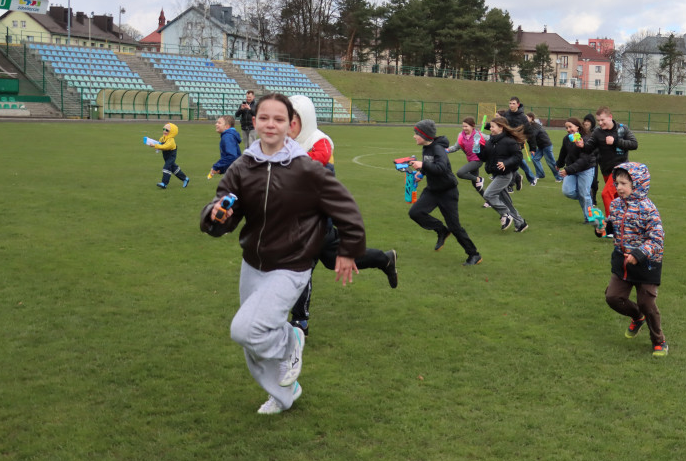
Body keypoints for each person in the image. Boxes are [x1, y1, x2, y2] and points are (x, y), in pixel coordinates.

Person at [200, 93, 366, 415]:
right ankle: (283, 395)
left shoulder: (307, 169)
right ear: (255, 122)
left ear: (291, 125)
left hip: (292, 264)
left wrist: (348, 249)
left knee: (245, 329)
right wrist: (215, 215)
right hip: (253, 263)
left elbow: (346, 207)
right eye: (264, 118)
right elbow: (224, 208)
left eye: (279, 119)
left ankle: (292, 340)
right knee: (254, 343)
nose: (271, 124)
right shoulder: (242, 166)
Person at [286, 95, 398, 335]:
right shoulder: (287, 143)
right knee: (331, 260)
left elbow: (318, 164)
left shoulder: (319, 141)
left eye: (293, 118)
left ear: (305, 119)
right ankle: (384, 259)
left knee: (300, 268)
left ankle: (300, 321)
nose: (288, 124)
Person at [594, 162, 668, 356]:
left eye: (624, 184)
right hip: (622, 261)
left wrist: (638, 254)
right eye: (617, 183)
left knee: (646, 303)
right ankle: (637, 317)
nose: (618, 188)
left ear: (637, 185)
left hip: (646, 264)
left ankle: (659, 340)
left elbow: (657, 238)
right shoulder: (616, 204)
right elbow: (613, 225)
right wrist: (602, 228)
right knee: (612, 297)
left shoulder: (648, 209)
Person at [408, 119, 482, 265]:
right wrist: (421, 174)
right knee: (415, 213)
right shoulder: (426, 147)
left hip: (447, 192)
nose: (414, 136)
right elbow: (430, 165)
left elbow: (441, 168)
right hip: (432, 190)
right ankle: (441, 230)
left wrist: (423, 165)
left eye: (416, 133)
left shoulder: (438, 149)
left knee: (454, 226)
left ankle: (474, 255)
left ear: (424, 135)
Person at [579, 106, 639, 216]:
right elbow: (589, 148)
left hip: (620, 169)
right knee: (617, 198)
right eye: (598, 120)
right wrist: (582, 146)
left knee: (606, 194)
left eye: (602, 120)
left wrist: (616, 141)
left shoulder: (622, 129)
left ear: (610, 117)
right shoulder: (597, 132)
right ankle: (624, 219)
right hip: (606, 170)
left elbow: (634, 144)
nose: (600, 123)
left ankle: (611, 222)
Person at [480, 115, 530, 232]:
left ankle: (506, 214)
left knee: (488, 195)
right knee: (507, 202)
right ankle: (520, 223)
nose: (490, 128)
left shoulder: (509, 141)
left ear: (501, 128)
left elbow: (518, 156)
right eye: (491, 126)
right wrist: (478, 149)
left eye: (493, 126)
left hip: (505, 175)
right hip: (496, 174)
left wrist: (505, 163)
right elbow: (484, 158)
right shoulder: (490, 141)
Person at [556, 117, 598, 222]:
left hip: (586, 169)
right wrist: (559, 164)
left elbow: (584, 160)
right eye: (566, 128)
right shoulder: (567, 139)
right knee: (567, 192)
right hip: (572, 169)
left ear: (578, 127)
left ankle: (589, 218)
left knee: (584, 194)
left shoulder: (586, 139)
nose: (568, 129)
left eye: (570, 127)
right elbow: (563, 152)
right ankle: (587, 196)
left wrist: (568, 170)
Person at [447, 116, 487, 198]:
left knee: (460, 173)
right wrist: (446, 150)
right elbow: (456, 147)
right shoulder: (461, 135)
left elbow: (492, 140)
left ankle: (479, 179)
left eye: (466, 126)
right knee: (476, 184)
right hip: (470, 160)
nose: (464, 128)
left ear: (473, 126)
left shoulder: (479, 135)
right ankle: (490, 200)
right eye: (463, 126)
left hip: (478, 160)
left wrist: (482, 145)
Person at [503, 97, 536, 186]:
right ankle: (520, 178)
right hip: (506, 143)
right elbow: (500, 125)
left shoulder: (522, 117)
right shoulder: (506, 114)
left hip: (517, 144)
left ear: (518, 104)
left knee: (513, 162)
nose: (511, 105)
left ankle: (511, 184)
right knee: (516, 162)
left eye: (513, 103)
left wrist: (532, 148)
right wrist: (487, 126)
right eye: (510, 103)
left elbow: (529, 132)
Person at [147, 122, 189, 189]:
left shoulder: (171, 140)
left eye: (167, 130)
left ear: (172, 132)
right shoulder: (163, 138)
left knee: (166, 168)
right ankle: (185, 179)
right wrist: (155, 145)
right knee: (174, 169)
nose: (164, 131)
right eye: (164, 129)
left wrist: (155, 145)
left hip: (171, 156)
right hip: (166, 156)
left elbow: (165, 147)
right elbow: (160, 144)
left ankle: (164, 183)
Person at [526, 112, 562, 182]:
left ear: (531, 118)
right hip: (541, 146)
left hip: (546, 145)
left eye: (526, 117)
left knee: (551, 162)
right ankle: (540, 174)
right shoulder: (529, 126)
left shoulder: (535, 126)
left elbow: (532, 136)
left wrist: (532, 149)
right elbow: (530, 138)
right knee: (535, 158)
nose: (525, 119)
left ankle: (559, 177)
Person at [582, 113, 600, 205]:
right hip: (583, 158)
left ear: (592, 123)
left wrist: (593, 153)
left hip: (594, 159)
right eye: (585, 121)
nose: (586, 123)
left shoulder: (596, 132)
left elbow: (598, 146)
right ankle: (586, 196)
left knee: (594, 180)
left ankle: (594, 198)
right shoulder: (582, 132)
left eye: (588, 121)